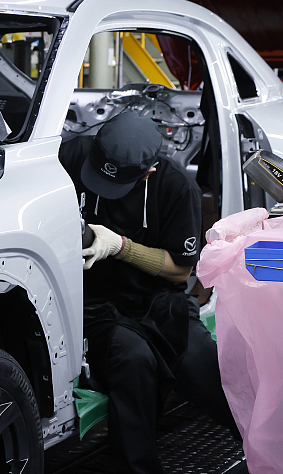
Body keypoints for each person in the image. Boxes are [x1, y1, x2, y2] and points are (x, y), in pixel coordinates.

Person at [60, 111, 237, 474]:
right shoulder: (74, 154)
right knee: (133, 361)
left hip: (158, 298)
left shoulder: (175, 187)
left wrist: (120, 247)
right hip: (92, 301)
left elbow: (181, 269)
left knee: (204, 371)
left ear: (148, 172)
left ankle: (270, 445)